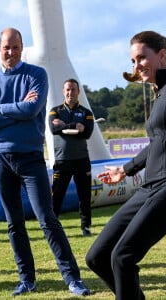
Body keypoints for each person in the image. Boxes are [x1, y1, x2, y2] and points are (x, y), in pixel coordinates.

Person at [85, 30, 166, 300]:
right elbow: (158, 143)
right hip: (150, 186)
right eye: (133, 61)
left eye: (141, 58)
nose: (136, 66)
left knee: (122, 256)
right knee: (97, 257)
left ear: (161, 55)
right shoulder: (160, 94)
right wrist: (125, 169)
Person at [0, 28, 90, 297]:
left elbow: (32, 109)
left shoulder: (36, 74)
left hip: (30, 158)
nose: (11, 52)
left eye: (15, 47)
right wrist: (14, 110)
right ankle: (27, 280)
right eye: (6, 47)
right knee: (14, 223)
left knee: (47, 219)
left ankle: (73, 279)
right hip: (0, 159)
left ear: (22, 47)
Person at [49, 78, 94, 237]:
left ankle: (86, 226)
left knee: (84, 196)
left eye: (73, 89)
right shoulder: (55, 111)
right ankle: (52, 227)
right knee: (56, 195)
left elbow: (87, 133)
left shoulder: (86, 113)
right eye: (67, 89)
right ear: (63, 91)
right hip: (62, 161)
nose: (70, 93)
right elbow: (53, 129)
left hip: (82, 161)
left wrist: (63, 125)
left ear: (78, 92)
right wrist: (75, 126)